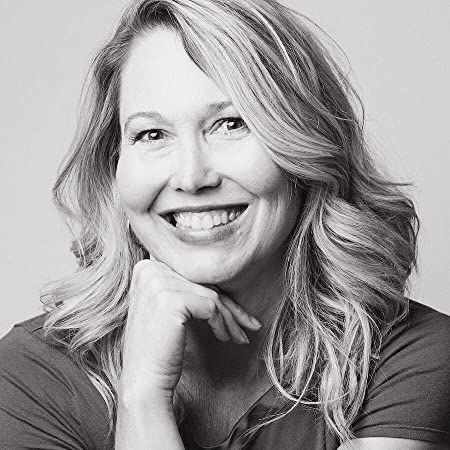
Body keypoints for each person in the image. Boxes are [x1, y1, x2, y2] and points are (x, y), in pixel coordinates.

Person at [0, 0, 449, 448]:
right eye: (152, 134)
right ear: (114, 166)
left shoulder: (410, 359)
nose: (192, 177)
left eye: (231, 124)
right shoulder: (32, 377)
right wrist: (141, 393)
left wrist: (144, 409)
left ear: (303, 143)